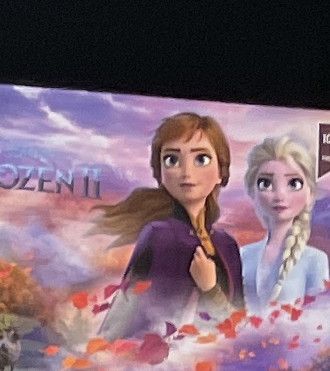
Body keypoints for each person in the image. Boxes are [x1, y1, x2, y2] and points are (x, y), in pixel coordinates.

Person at [93, 112, 245, 332]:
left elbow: (240, 327)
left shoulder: (227, 245)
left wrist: (211, 290)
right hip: (161, 351)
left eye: (201, 159)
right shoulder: (160, 235)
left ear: (221, 171)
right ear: (160, 173)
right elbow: (127, 314)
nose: (186, 172)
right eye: (172, 160)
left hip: (220, 352)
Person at [240, 133, 330, 311]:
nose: (280, 195)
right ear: (252, 191)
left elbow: (319, 318)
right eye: (265, 183)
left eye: (294, 183)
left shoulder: (315, 260)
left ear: (310, 193)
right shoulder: (243, 255)